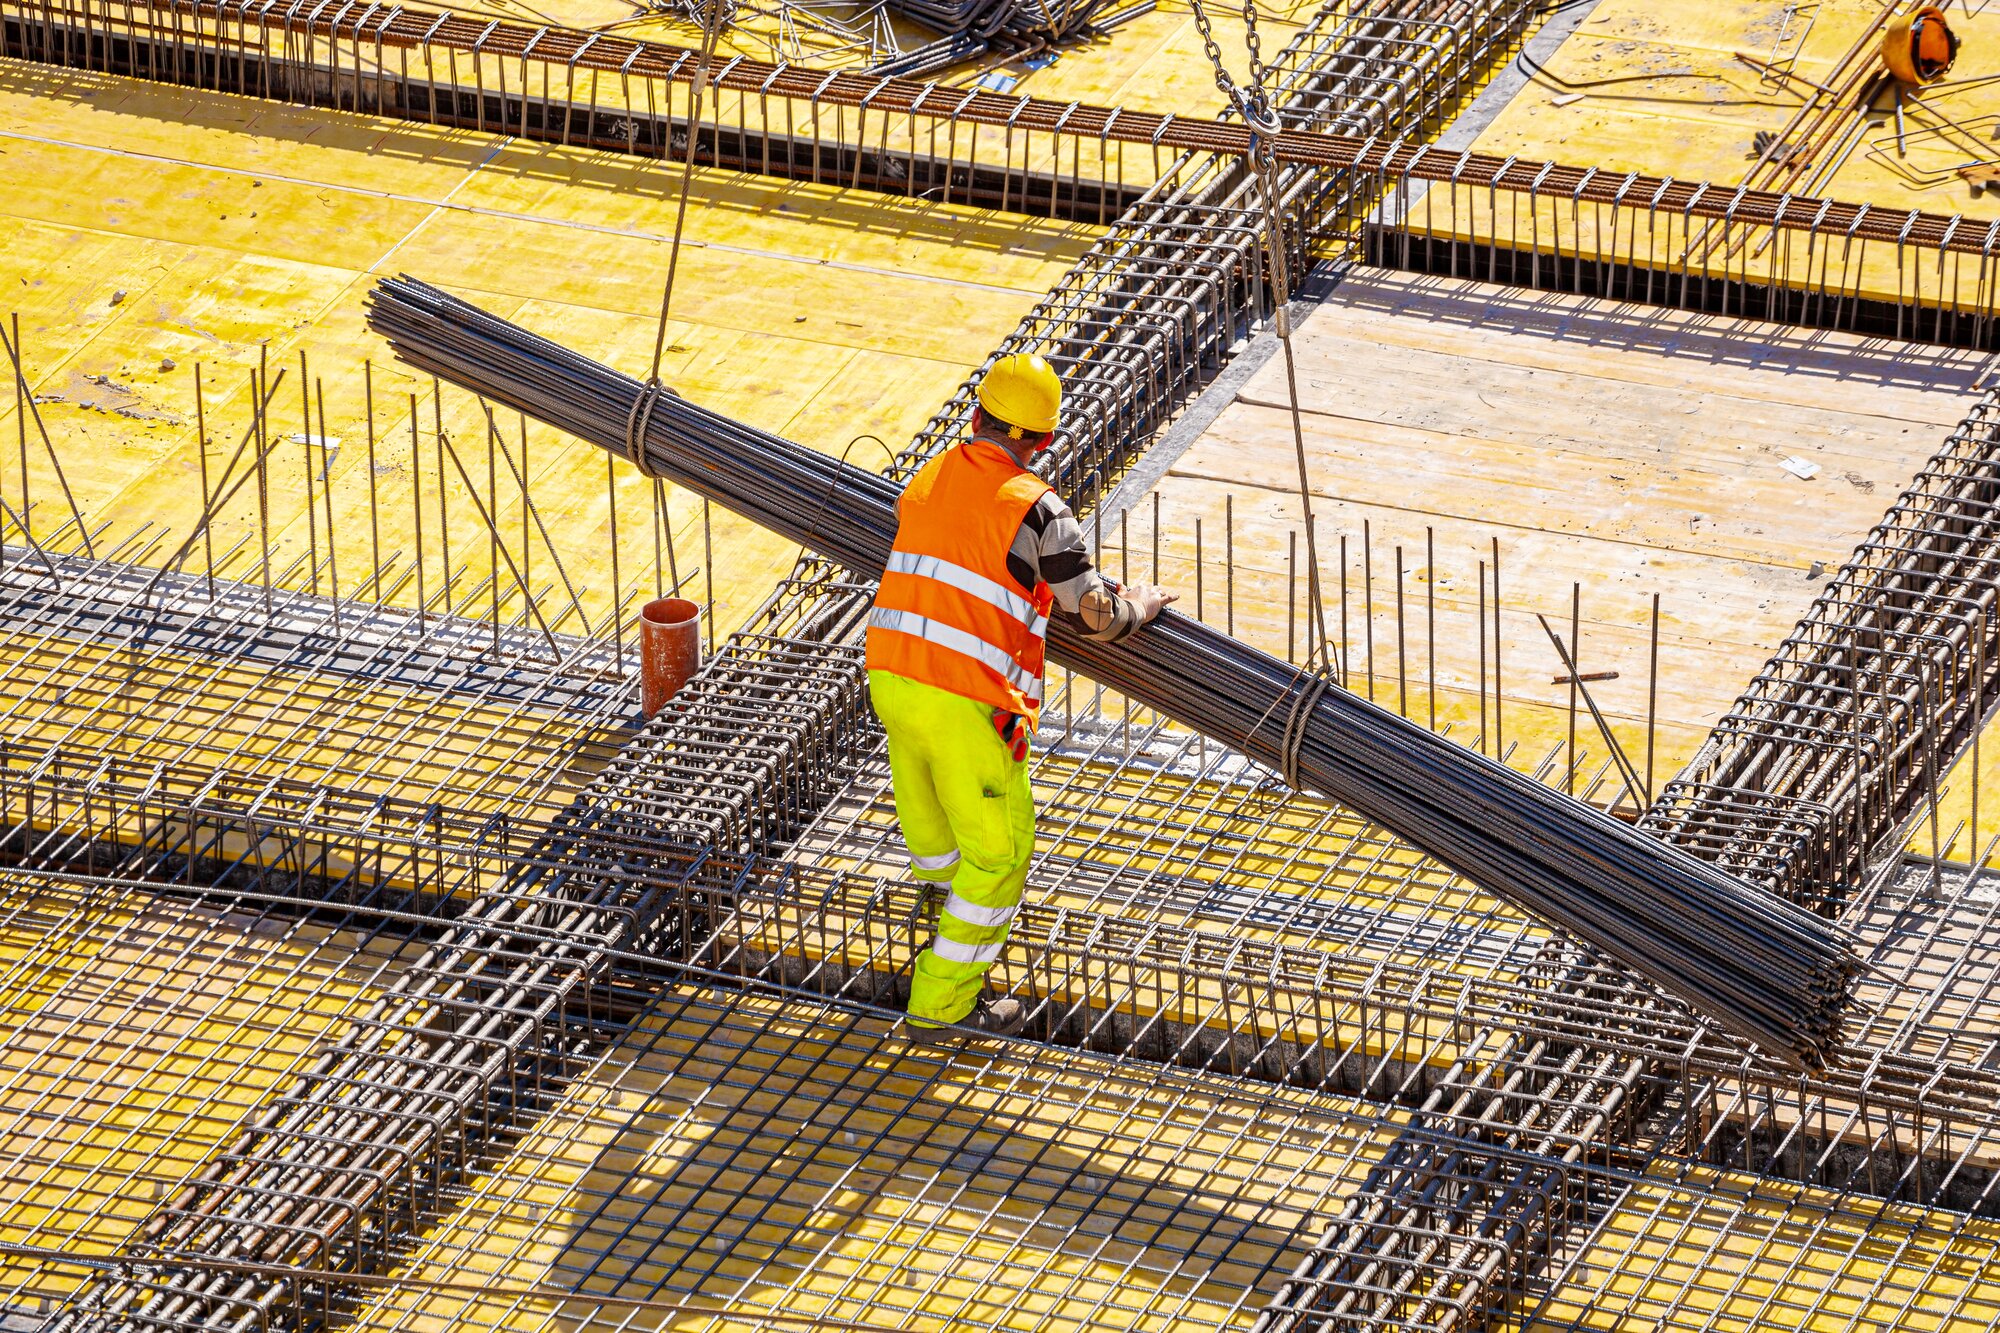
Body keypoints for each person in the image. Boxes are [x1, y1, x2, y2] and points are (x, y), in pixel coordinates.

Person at [865, 352, 1177, 1039]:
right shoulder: (1039, 508)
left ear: (976, 417)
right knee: (999, 858)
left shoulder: (930, 475)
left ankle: (941, 912)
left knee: (939, 836)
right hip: (963, 699)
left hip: (891, 676)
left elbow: (960, 560)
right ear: (1043, 441)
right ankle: (942, 1007)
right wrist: (1140, 607)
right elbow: (1093, 615)